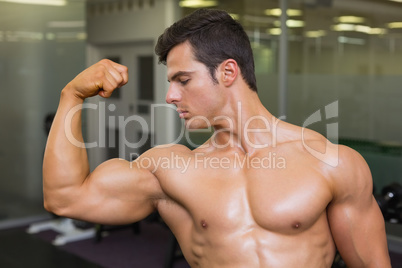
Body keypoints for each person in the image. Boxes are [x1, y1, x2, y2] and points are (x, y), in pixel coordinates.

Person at [43, 8, 391, 267]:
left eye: (183, 80)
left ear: (227, 72)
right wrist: (70, 96)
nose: (170, 96)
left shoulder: (331, 161)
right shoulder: (171, 168)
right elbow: (66, 199)